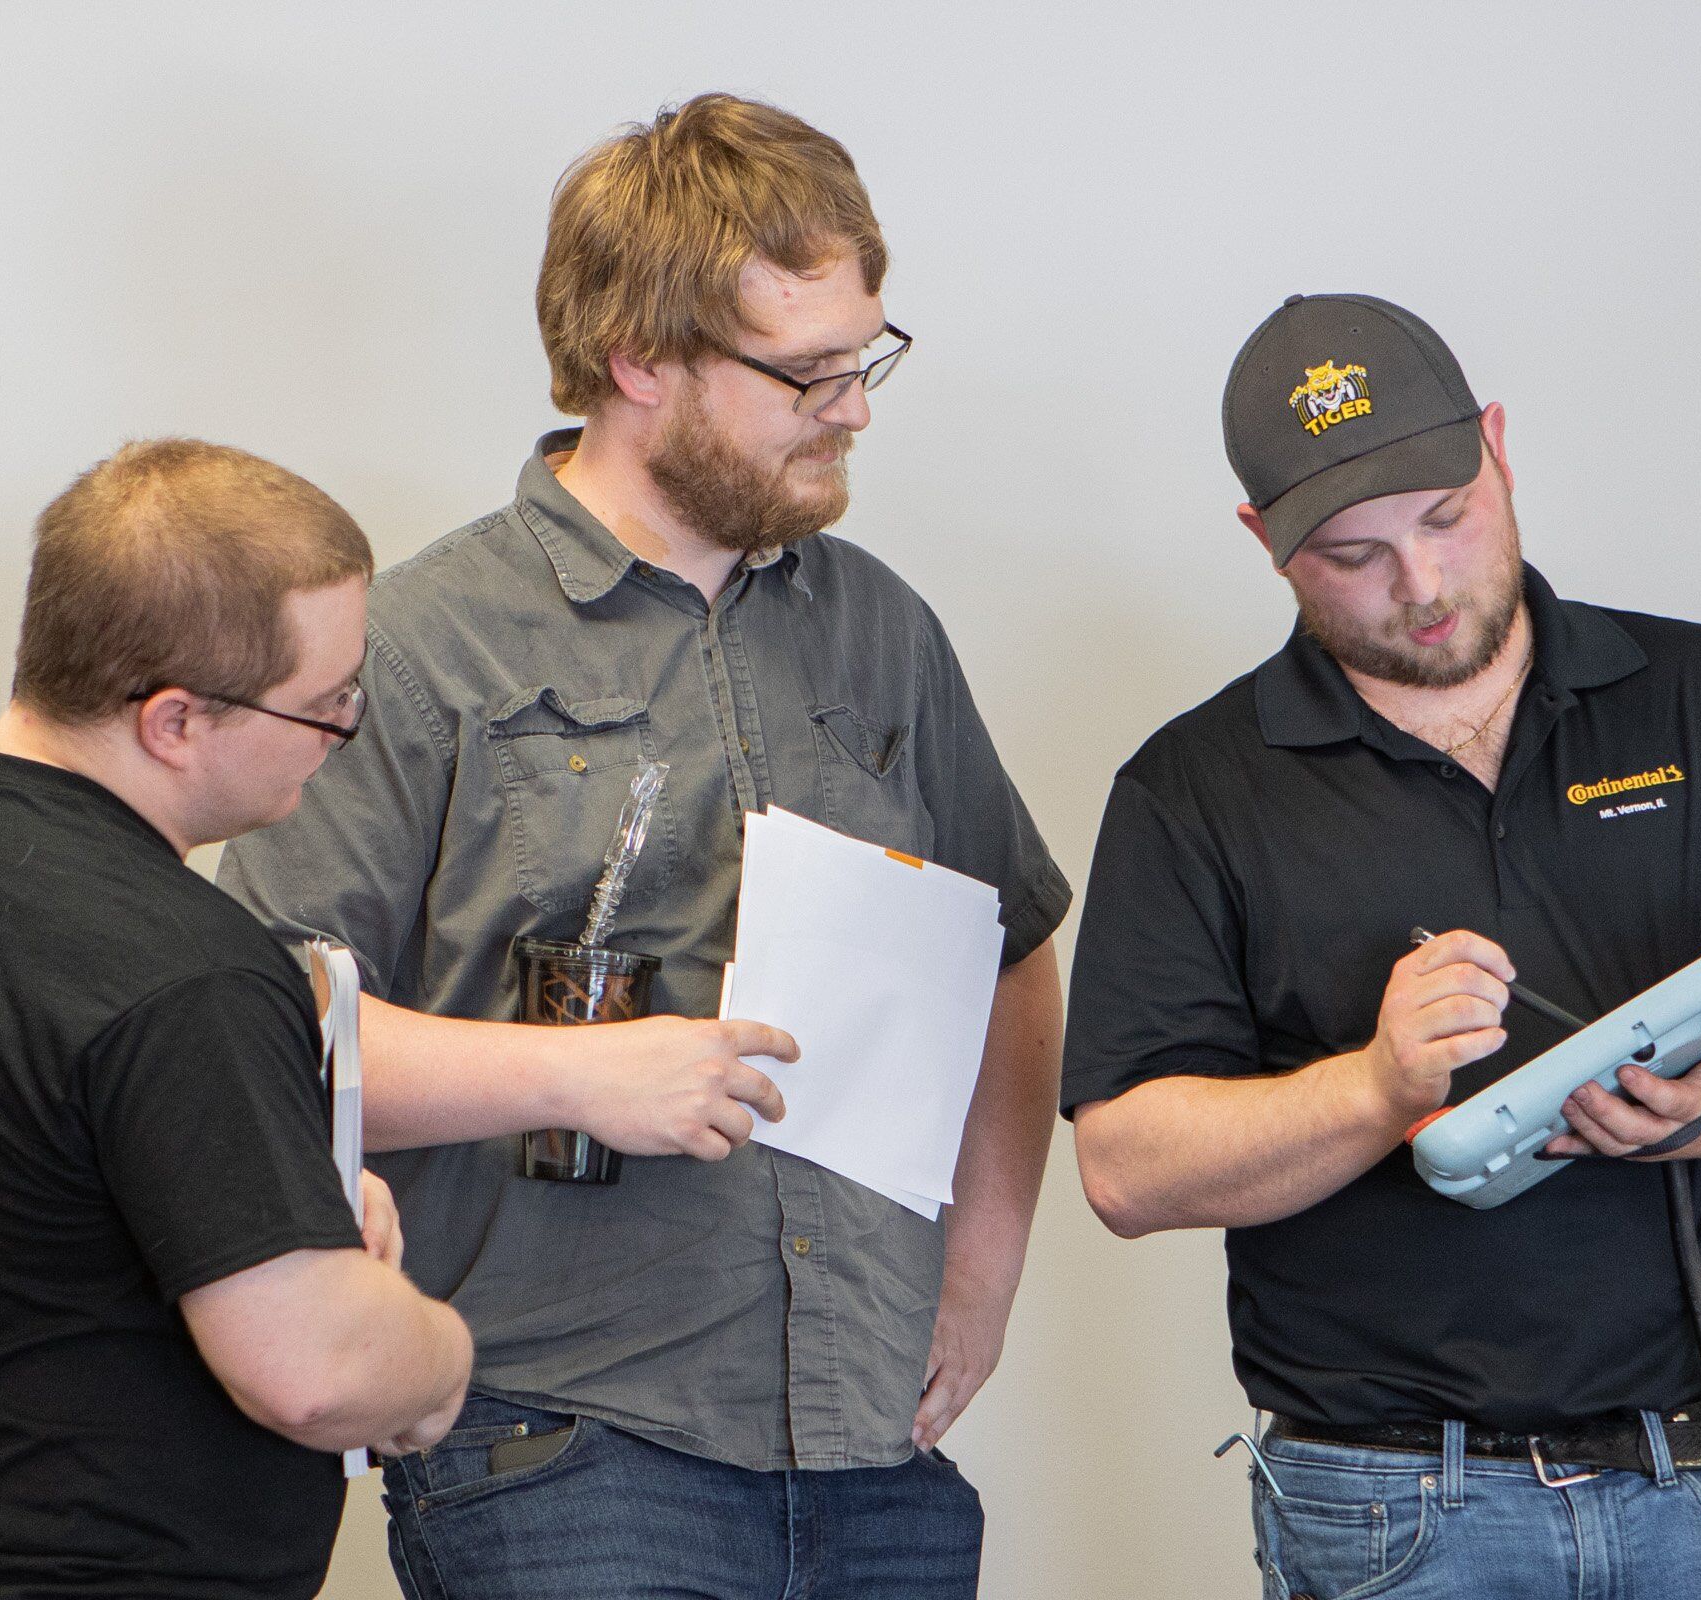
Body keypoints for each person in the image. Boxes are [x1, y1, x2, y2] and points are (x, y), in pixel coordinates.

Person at [216, 93, 1069, 1599]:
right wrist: (578, 1075)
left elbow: (1008, 954)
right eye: (805, 373)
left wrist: (983, 1280)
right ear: (639, 364)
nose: (855, 406)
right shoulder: (419, 649)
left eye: (866, 356)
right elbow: (278, 1039)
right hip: (563, 1450)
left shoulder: (882, 627)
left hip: (878, 1457)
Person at [1062, 293, 1701, 1599]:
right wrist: (1372, 1088)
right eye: (1353, 554)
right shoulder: (1194, 791)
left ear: (1499, 447)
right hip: (1390, 1509)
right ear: (1265, 540)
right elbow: (1127, 1167)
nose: (1417, 586)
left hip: (1698, 1473)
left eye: (1445, 518)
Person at [0, 440, 474, 1600]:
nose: (347, 730)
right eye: (326, 706)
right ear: (175, 720)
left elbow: (60, 1195)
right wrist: (430, 1345)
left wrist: (276, 1201)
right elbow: (314, 1371)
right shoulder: (187, 971)